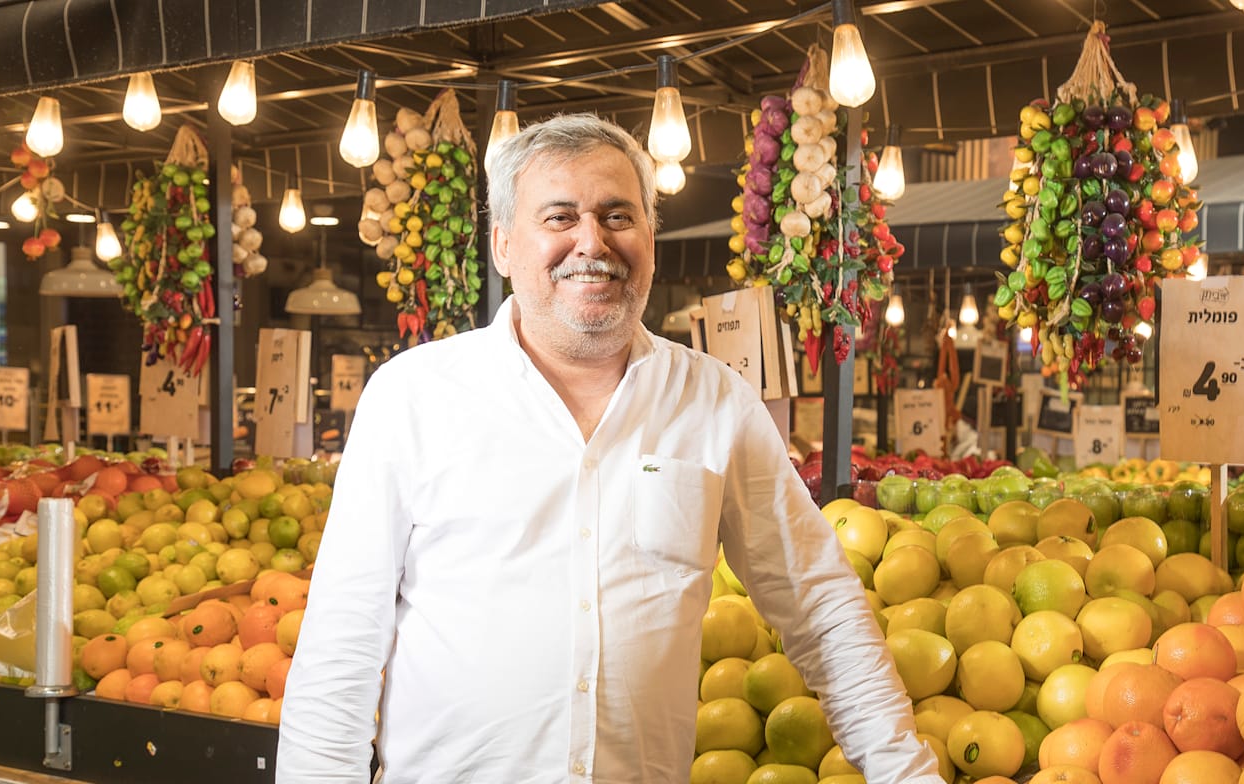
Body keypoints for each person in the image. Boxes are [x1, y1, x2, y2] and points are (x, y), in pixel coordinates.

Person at [277, 114, 943, 783]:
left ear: (650, 239)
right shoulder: (413, 398)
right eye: (560, 217)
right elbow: (341, 648)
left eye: (618, 215)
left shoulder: (716, 404)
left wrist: (904, 773)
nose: (592, 241)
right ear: (505, 245)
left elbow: (820, 606)